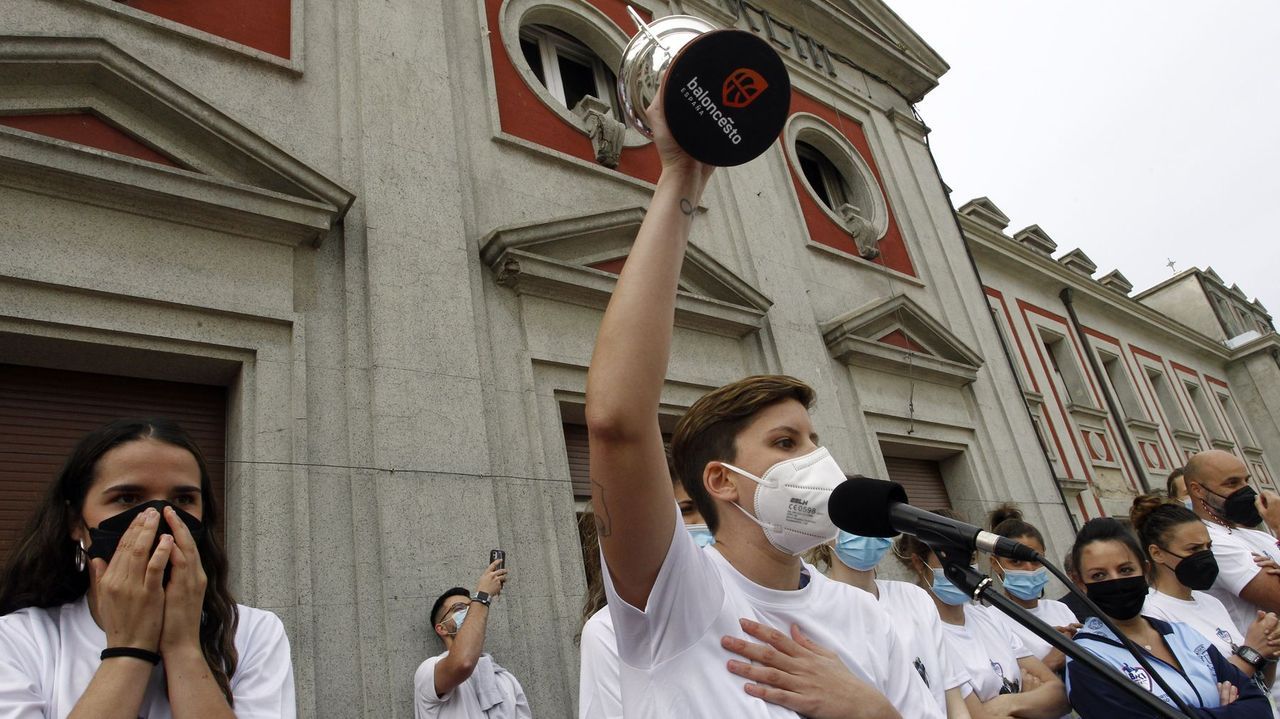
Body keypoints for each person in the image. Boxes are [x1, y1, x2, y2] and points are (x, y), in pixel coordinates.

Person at [584, 80, 939, 718]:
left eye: (812, 439)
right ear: (720, 479)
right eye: (784, 443)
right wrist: (681, 181)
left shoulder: (864, 616)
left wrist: (870, 711)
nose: (815, 460)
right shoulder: (676, 602)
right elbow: (616, 422)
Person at [0, 417, 296, 718]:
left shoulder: (251, 634)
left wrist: (183, 648)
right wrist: (129, 649)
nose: (159, 517)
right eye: (127, 498)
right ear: (75, 521)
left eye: (183, 499)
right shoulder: (17, 640)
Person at [1066, 516, 1271, 717]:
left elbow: (1258, 706)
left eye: (1126, 570)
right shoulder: (1085, 659)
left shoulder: (1183, 634)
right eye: (1098, 575)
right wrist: (1226, 710)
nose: (1116, 581)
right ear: (1080, 583)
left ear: (1145, 571)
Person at [893, 512, 1069, 718]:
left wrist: (1008, 703)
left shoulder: (987, 618)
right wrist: (1032, 703)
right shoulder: (918, 635)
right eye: (950, 557)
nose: (964, 566)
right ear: (918, 563)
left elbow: (1059, 696)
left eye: (970, 557)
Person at [577, 465, 713, 719]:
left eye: (708, 508)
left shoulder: (738, 601)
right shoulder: (607, 632)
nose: (704, 522)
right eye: (686, 510)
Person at [1131, 494, 1280, 699]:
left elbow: (1260, 684)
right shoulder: (1151, 613)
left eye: (1208, 547)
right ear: (1157, 553)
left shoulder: (1211, 603)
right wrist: (1252, 650)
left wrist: (1269, 651)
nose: (1205, 555)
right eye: (1193, 549)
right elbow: (1201, 693)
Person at [814, 530, 972, 717]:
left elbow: (952, 700)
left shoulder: (915, 597)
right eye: (851, 514)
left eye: (874, 513)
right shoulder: (815, 613)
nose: (863, 524)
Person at [414, 561, 527, 719]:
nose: (469, 612)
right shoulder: (427, 672)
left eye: (471, 607)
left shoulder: (506, 680)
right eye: (459, 608)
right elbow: (463, 663)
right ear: (442, 628)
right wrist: (482, 596)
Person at [986, 504, 1080, 673]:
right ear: (996, 564)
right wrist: (1055, 657)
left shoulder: (1061, 609)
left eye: (1036, 560)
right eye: (1016, 562)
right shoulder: (990, 620)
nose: (1029, 569)